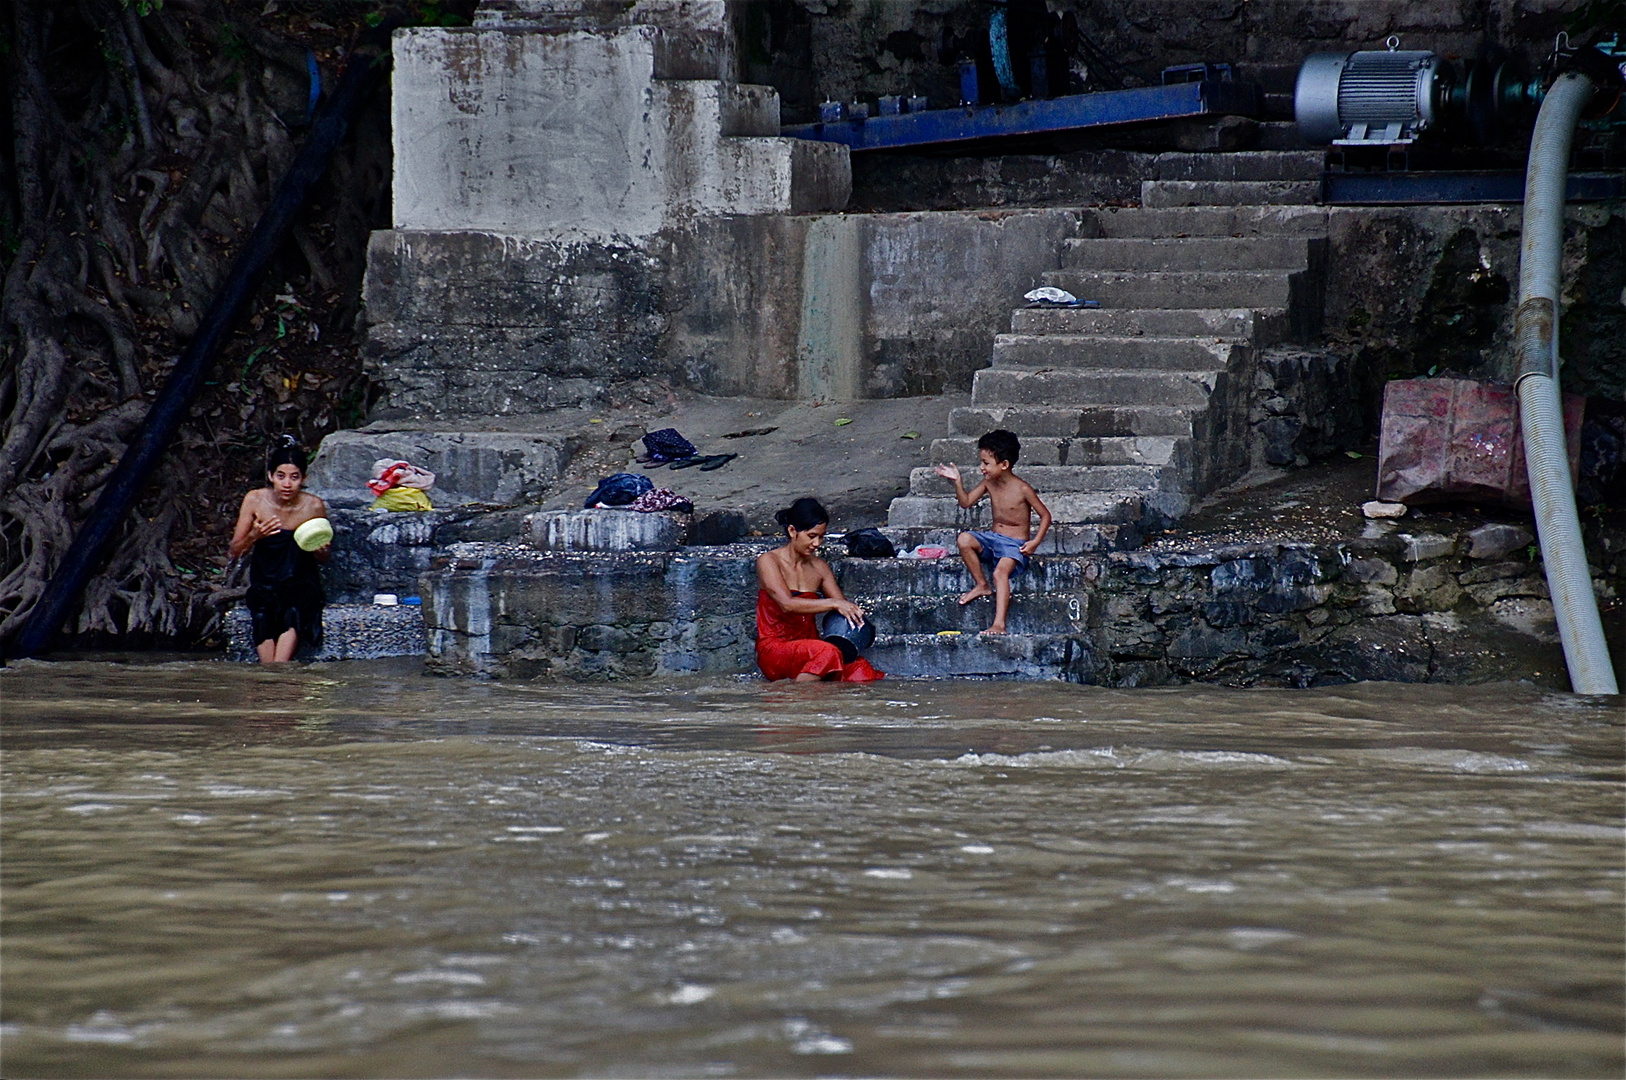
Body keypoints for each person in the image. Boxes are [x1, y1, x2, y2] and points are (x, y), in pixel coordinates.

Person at [934, 429, 1052, 635]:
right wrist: (957, 482)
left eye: (986, 463)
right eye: (981, 462)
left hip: (1013, 545)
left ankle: (999, 624)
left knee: (1000, 573)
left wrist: (1034, 542)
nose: (982, 468)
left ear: (1004, 465)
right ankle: (981, 584)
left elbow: (1045, 516)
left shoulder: (1022, 488)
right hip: (992, 539)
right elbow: (966, 502)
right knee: (964, 539)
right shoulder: (989, 483)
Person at [755, 497, 884, 682]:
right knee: (827, 652)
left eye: (821, 537)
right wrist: (834, 603)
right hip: (776, 648)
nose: (817, 544)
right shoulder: (768, 561)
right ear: (792, 531)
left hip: (812, 647)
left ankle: (825, 701)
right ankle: (797, 699)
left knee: (860, 669)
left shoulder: (819, 567)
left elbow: (843, 608)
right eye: (811, 536)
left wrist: (854, 615)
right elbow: (787, 604)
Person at [228, 438, 330, 663]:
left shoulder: (314, 506)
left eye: (294, 477)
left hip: (301, 581)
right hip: (265, 580)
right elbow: (235, 550)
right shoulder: (255, 500)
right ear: (270, 476)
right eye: (281, 476)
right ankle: (271, 673)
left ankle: (278, 671)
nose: (287, 484)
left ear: (303, 479)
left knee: (293, 610)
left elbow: (323, 558)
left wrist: (320, 548)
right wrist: (256, 535)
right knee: (263, 613)